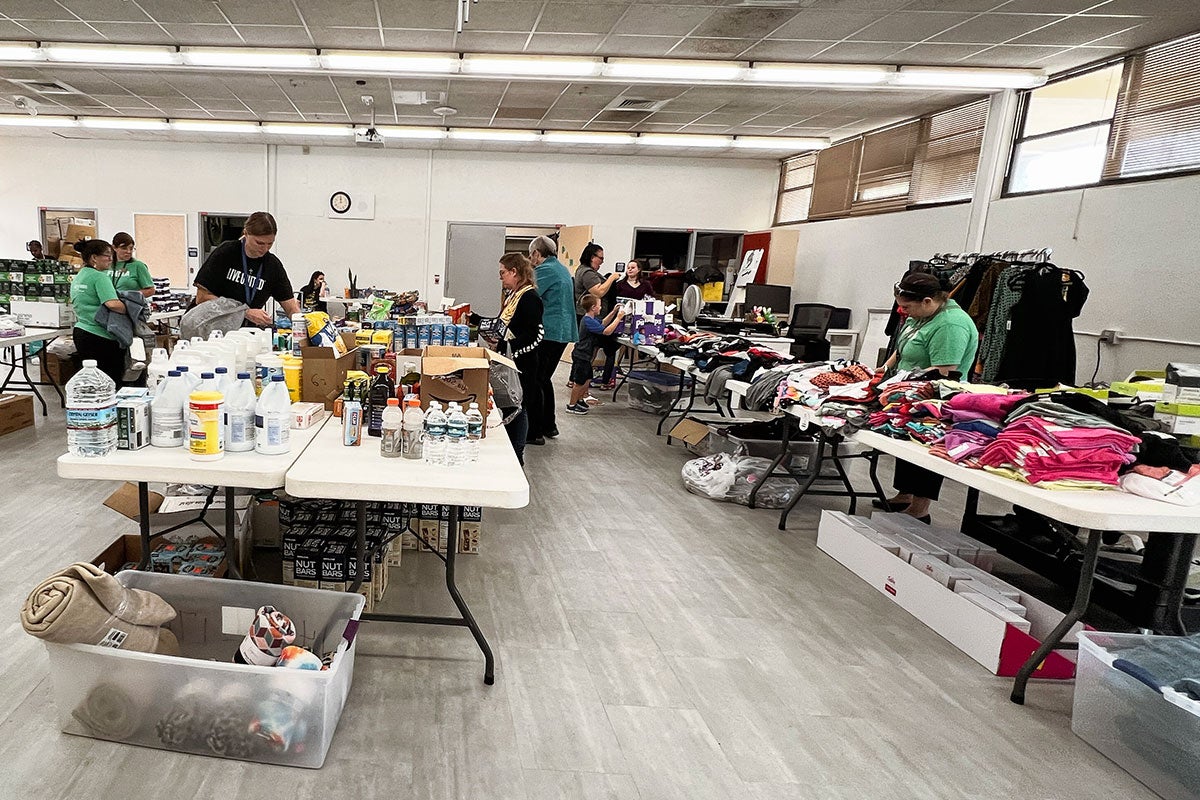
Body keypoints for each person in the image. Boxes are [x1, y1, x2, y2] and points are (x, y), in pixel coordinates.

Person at [875, 271, 979, 523]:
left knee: (925, 448)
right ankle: (905, 495)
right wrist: (884, 369)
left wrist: (909, 386)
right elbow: (902, 349)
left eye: (906, 307)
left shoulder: (950, 325)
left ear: (927, 302)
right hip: (908, 391)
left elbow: (945, 371)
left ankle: (920, 509)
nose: (902, 312)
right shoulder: (921, 317)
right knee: (905, 441)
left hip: (935, 396)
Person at [474, 253, 543, 464]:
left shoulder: (530, 298)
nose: (500, 277)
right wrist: (478, 320)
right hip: (510, 360)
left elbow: (535, 334)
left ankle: (517, 455)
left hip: (523, 364)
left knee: (518, 407)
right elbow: (503, 324)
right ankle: (512, 451)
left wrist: (506, 346)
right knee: (511, 405)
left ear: (514, 272)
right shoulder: (515, 295)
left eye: (503, 273)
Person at [193, 211, 301, 327]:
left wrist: (303, 324)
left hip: (244, 333)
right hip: (210, 328)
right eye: (259, 243)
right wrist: (244, 312)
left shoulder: (272, 266)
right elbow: (202, 297)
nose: (265, 248)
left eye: (270, 243)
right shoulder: (226, 253)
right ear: (246, 233)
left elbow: (291, 308)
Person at [529, 235, 577, 443]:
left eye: (531, 256)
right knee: (544, 379)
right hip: (562, 332)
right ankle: (550, 425)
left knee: (536, 380)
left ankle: (536, 431)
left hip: (549, 332)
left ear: (537, 254)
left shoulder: (545, 270)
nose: (530, 260)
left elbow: (527, 292)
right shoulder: (562, 268)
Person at [68, 239, 128, 386]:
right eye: (107, 255)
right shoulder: (99, 277)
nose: (110, 259)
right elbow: (112, 304)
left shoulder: (80, 276)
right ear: (94, 258)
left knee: (92, 382)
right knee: (109, 382)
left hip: (82, 333)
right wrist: (131, 309)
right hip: (101, 337)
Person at [567, 294, 625, 415]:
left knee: (587, 378)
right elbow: (606, 331)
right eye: (599, 305)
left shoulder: (591, 319)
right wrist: (619, 318)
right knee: (579, 382)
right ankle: (571, 405)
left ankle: (580, 399)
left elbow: (603, 323)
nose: (601, 307)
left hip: (585, 355)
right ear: (593, 307)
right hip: (581, 355)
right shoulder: (588, 320)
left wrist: (614, 312)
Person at [574, 242, 621, 390]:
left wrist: (613, 313)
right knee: (588, 352)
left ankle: (580, 387)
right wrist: (612, 278)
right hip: (585, 316)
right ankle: (579, 388)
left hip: (589, 317)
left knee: (587, 352)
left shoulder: (584, 270)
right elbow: (598, 292)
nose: (602, 261)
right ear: (591, 257)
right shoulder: (587, 273)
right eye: (600, 258)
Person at [110, 232, 155, 298]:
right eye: (124, 248)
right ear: (114, 248)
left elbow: (150, 290)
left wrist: (129, 295)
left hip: (130, 305)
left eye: (131, 248)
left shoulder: (138, 265)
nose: (128, 251)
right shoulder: (106, 265)